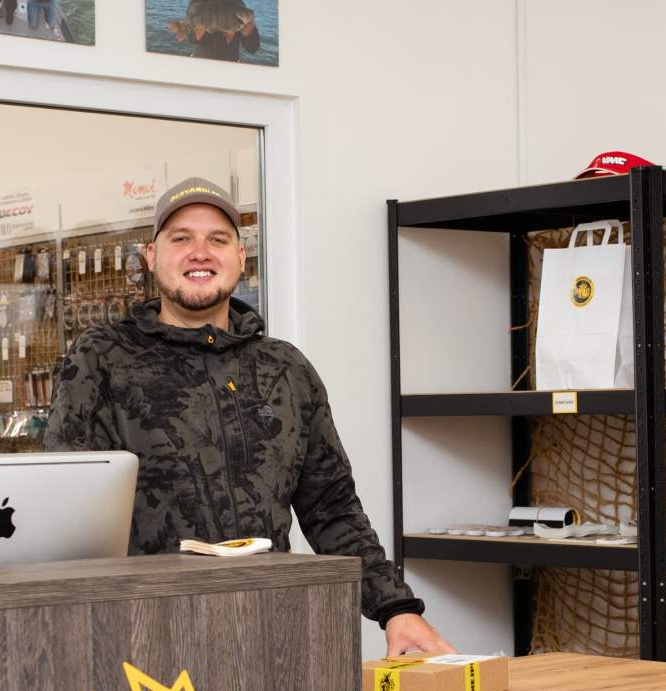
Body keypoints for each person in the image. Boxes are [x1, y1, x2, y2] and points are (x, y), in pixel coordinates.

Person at [46, 178, 452, 658]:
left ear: (241, 257)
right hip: (144, 636)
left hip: (270, 634)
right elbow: (67, 509)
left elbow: (332, 508)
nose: (200, 253)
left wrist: (396, 608)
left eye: (217, 240)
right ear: (151, 256)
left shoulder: (285, 369)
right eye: (181, 238)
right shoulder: (101, 359)